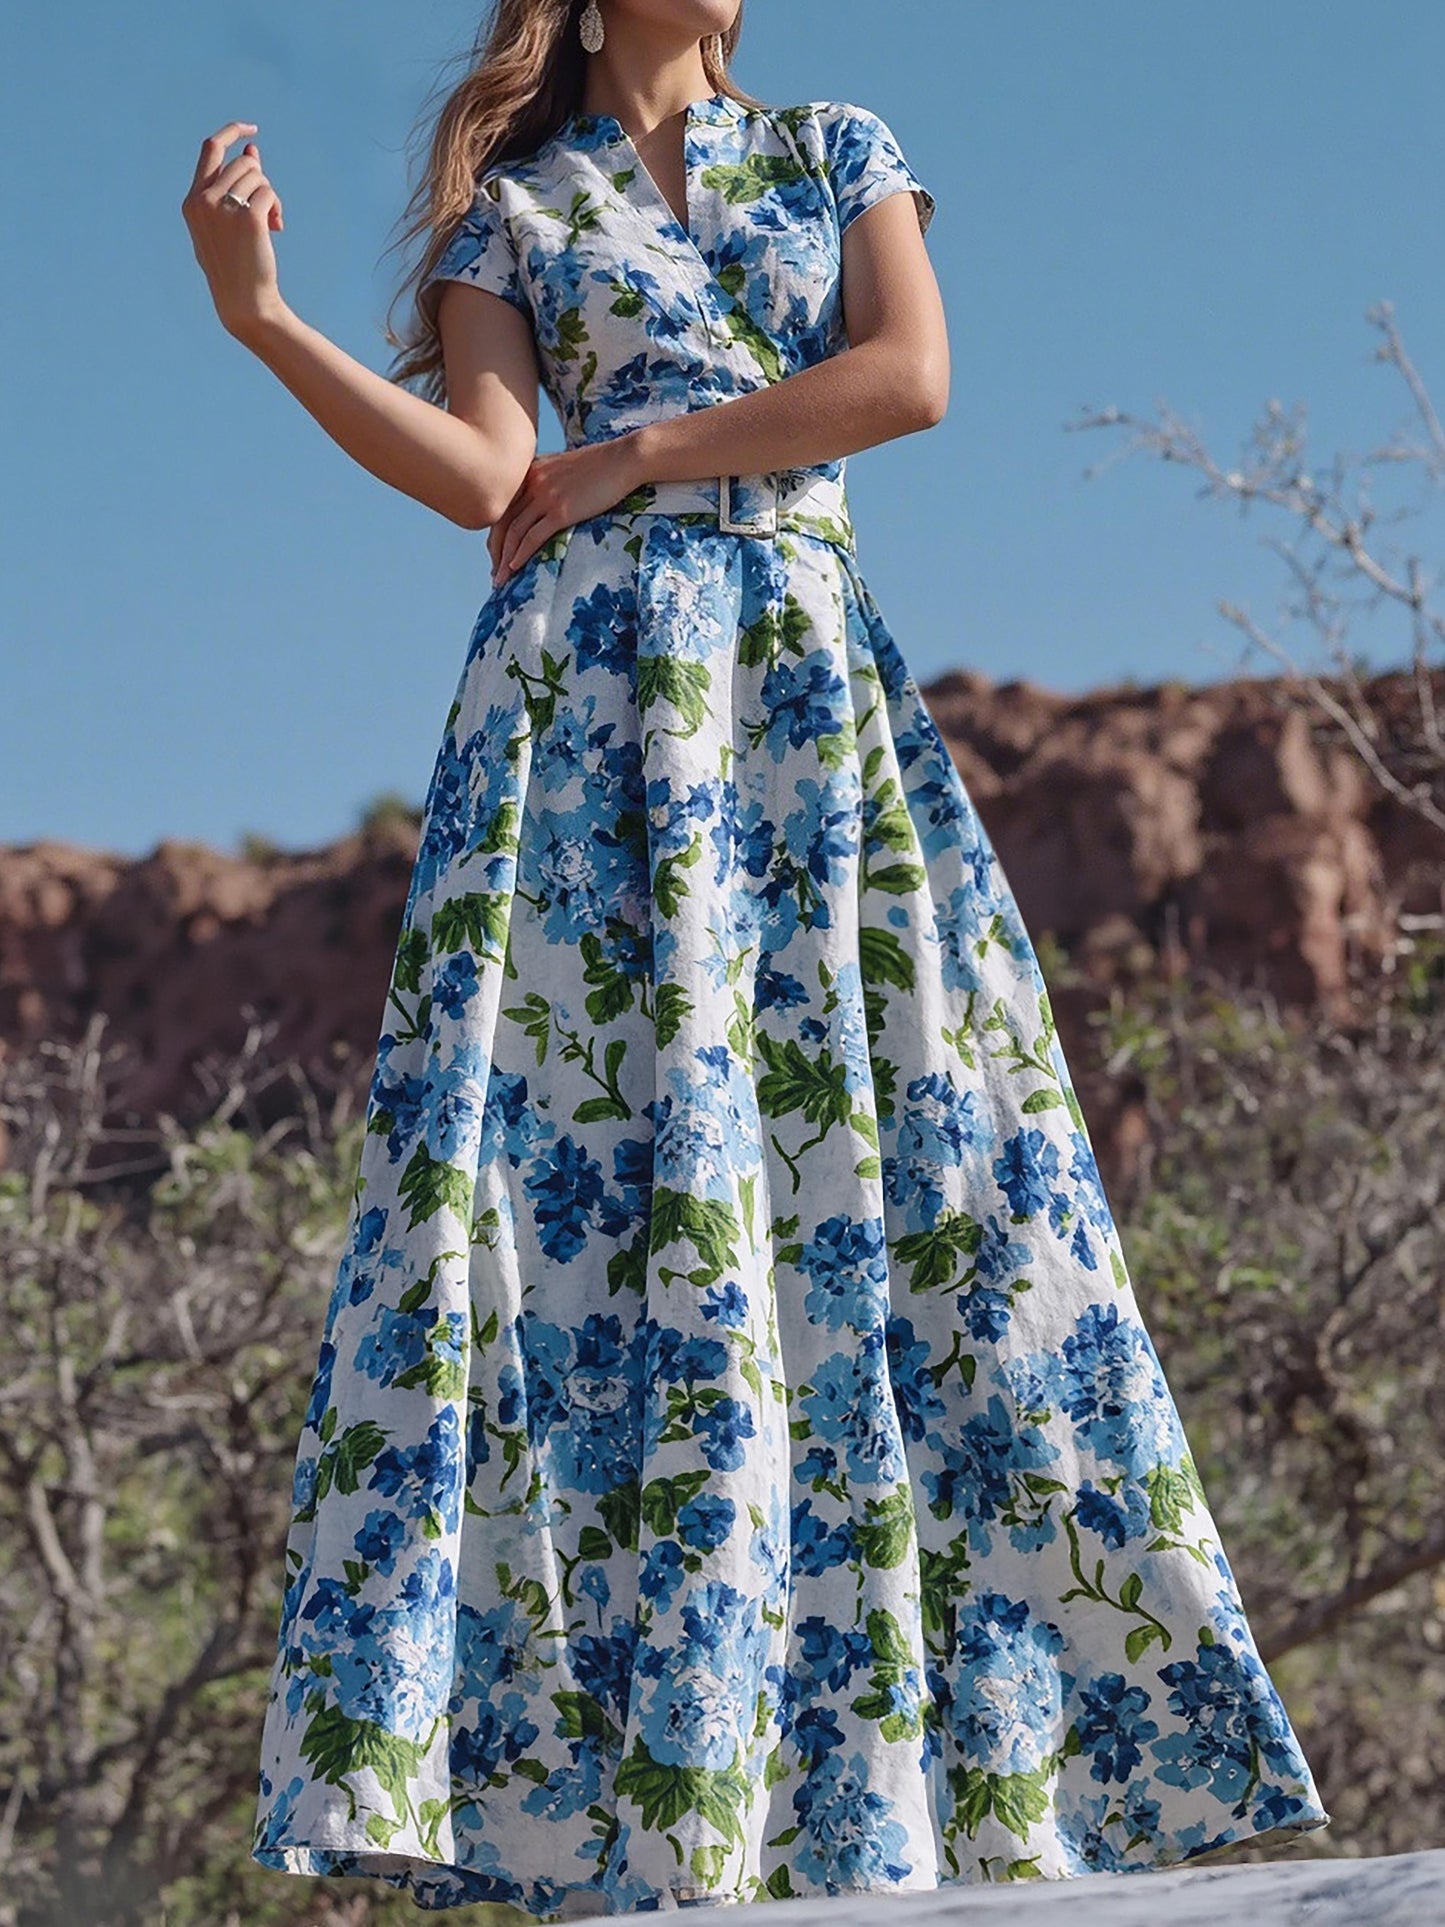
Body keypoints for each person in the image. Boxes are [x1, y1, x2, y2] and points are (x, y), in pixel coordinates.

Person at [184, 0, 1331, 1913]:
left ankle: (940, 1781)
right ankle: (654, 1803)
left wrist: (638, 452)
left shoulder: (832, 146)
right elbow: (483, 474)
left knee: (928, 1173)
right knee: (612, 1202)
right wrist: (263, 318)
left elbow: (907, 378)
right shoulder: (516, 209)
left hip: (797, 699)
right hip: (588, 729)